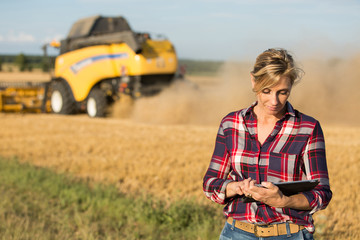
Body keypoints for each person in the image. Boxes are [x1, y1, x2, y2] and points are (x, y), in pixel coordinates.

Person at [203, 48, 332, 240]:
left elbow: (322, 194)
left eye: (282, 92)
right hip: (236, 233)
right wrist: (236, 187)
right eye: (266, 91)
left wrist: (283, 200)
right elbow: (210, 183)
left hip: (290, 234)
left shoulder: (307, 128)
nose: (274, 101)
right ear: (253, 81)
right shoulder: (231, 124)